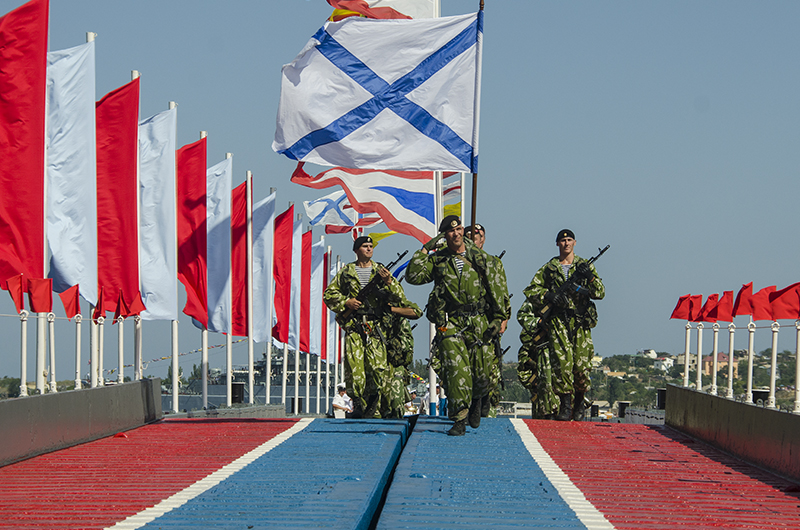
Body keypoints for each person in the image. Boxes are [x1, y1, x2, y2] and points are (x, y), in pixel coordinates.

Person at [406, 215, 509, 436]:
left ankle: (477, 400)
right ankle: (459, 418)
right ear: (445, 235)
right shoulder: (439, 259)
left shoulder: (482, 259)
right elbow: (413, 276)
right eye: (450, 231)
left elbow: (498, 288)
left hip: (478, 319)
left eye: (459, 229)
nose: (456, 234)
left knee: (482, 372)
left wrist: (498, 318)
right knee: (455, 370)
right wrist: (427, 247)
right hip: (451, 321)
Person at [323, 236, 418, 419]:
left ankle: (373, 402)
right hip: (355, 326)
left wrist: (389, 283)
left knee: (377, 369)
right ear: (356, 250)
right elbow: (329, 294)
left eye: (370, 246)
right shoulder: (347, 272)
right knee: (356, 370)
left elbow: (400, 297)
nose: (369, 249)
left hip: (376, 327)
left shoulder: (380, 271)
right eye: (365, 246)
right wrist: (346, 302)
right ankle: (359, 404)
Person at [522, 229, 605, 421]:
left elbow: (600, 292)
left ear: (575, 242)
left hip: (580, 321)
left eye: (569, 240)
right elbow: (531, 290)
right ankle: (565, 406)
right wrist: (548, 295)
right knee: (562, 364)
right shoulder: (549, 268)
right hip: (559, 321)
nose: (566, 244)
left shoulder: (584, 266)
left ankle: (579, 404)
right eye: (562, 240)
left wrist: (589, 278)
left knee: (582, 366)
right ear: (557, 244)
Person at [468, 223, 511, 416]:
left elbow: (502, 292)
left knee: (488, 362)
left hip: (487, 319)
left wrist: (504, 318)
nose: (475, 237)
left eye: (479, 234)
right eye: (472, 234)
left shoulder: (494, 262)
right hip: (466, 319)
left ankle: (484, 396)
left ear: (483, 239)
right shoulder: (460, 261)